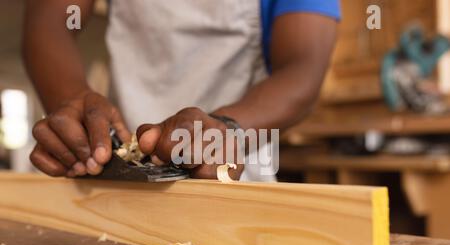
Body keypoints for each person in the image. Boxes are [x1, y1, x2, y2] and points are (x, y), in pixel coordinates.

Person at [24, 0, 340, 181]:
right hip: (120, 169)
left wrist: (223, 129)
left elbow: (304, 69)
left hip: (232, 171)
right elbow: (48, 27)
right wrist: (74, 102)